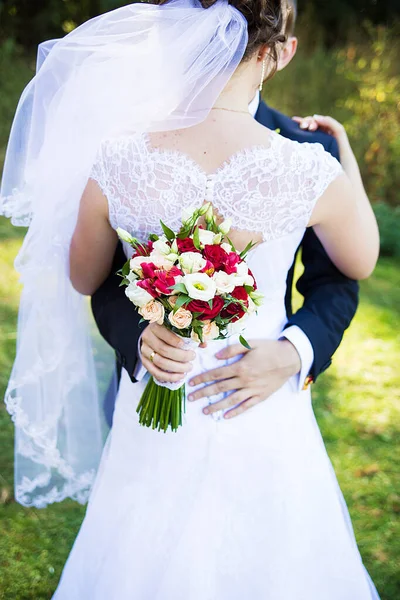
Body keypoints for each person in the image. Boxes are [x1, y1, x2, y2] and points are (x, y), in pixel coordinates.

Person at [1, 1, 381, 598]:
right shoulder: (309, 166)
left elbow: (82, 274)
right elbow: (361, 259)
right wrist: (345, 158)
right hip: (255, 407)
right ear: (271, 53)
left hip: (164, 393)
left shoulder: (120, 156)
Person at [91, 0, 360, 427]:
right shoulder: (130, 146)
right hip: (146, 379)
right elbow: (102, 273)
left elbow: (339, 278)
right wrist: (139, 338)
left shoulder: (314, 150)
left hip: (263, 401)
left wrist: (296, 350)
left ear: (284, 51)